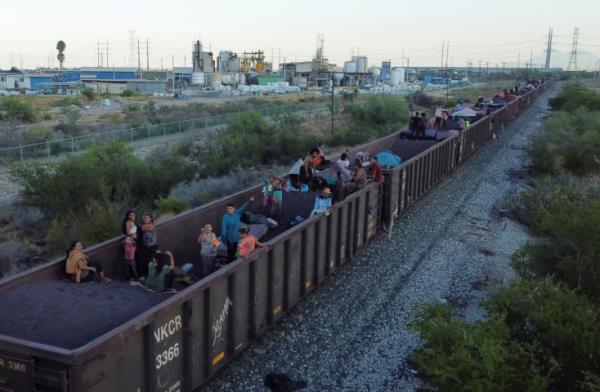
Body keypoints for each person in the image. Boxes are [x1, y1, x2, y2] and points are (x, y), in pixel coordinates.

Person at [221, 197, 255, 263]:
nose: (229, 210)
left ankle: (236, 260)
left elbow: (244, 208)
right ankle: (230, 263)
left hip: (237, 237)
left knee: (236, 250)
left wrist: (250, 201)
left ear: (234, 209)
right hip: (229, 238)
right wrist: (224, 239)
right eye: (228, 209)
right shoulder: (225, 217)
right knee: (230, 252)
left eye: (230, 208)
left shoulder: (238, 213)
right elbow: (223, 229)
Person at [138, 212, 158, 280]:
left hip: (151, 247)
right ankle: (147, 276)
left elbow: (143, 228)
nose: (145, 219)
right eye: (144, 218)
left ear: (150, 218)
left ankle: (152, 275)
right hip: (145, 246)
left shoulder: (151, 224)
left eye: (147, 217)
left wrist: (145, 224)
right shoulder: (145, 225)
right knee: (146, 261)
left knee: (149, 261)